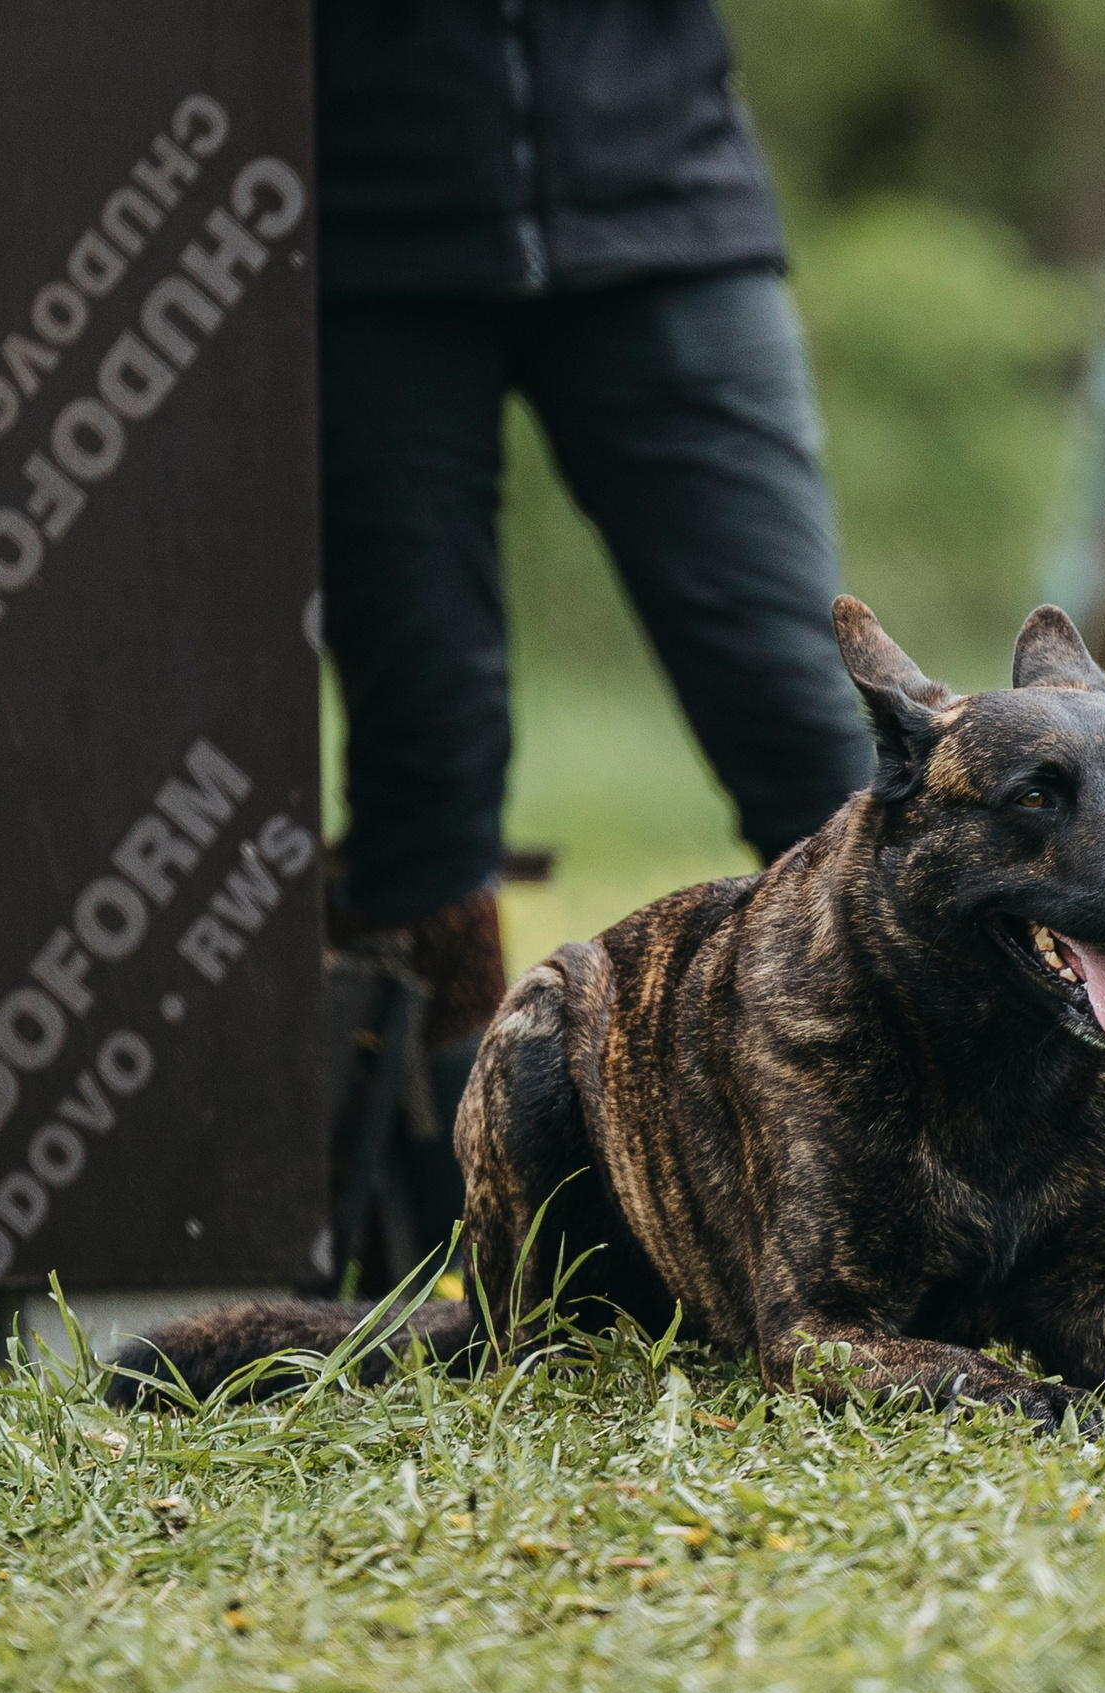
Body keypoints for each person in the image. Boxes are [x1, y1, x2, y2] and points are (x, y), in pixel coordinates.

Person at [312, 0, 875, 1092]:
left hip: (670, 211)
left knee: (810, 726)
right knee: (423, 751)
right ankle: (445, 1211)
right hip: (364, 237)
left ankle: (944, 1158)